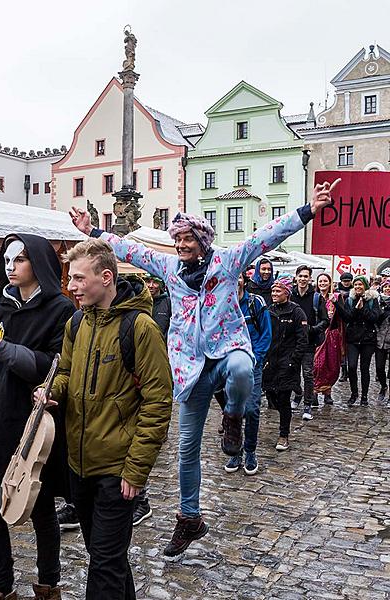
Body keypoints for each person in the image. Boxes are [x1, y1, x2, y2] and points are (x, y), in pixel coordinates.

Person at [70, 178, 339, 557]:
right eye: (177, 239)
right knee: (187, 449)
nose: (180, 245)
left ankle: (233, 415)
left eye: (187, 240)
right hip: (191, 366)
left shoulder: (227, 262)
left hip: (228, 350)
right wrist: (93, 230)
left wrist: (309, 209)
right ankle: (189, 518)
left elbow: (267, 236)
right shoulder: (169, 268)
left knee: (244, 371)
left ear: (203, 242)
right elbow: (131, 248)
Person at [35, 238, 172, 600]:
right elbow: (64, 371)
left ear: (106, 277)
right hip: (80, 467)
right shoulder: (76, 323)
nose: (72, 286)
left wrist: (135, 470)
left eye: (79, 279)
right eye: (70, 278)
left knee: (104, 568)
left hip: (117, 470)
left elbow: (158, 403)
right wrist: (53, 392)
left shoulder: (141, 328)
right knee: (106, 557)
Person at [0, 234, 75, 600]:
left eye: (19, 260)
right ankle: (0, 585)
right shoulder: (2, 308)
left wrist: (3, 349)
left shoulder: (61, 310)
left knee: (41, 508)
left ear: (37, 263)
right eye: (7, 261)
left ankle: (48, 584)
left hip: (35, 422)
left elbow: (53, 366)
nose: (11, 267)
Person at [132, 274, 172, 527]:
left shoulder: (167, 304)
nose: (151, 286)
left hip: (160, 364)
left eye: (154, 281)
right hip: (135, 371)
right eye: (147, 282)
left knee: (144, 430)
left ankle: (141, 500)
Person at [224, 272, 272, 475]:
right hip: (229, 366)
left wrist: (256, 358)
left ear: (243, 280)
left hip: (253, 364)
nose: (235, 283)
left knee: (251, 409)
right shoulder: (221, 305)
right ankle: (235, 451)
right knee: (233, 410)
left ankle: (250, 451)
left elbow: (266, 334)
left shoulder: (255, 302)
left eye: (238, 278)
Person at [263, 275, 308, 451]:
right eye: (273, 290)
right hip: (270, 361)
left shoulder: (296, 312)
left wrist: (293, 362)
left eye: (278, 291)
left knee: (283, 399)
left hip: (287, 362)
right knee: (271, 397)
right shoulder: (268, 310)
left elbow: (302, 340)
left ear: (287, 293)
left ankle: (284, 435)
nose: (274, 293)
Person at [332, 275, 381, 406]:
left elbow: (375, 317)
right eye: (356, 285)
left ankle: (364, 396)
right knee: (352, 367)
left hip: (367, 339)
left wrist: (363, 308)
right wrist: (338, 304)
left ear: (365, 286)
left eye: (360, 284)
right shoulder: (350, 299)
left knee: (365, 368)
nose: (358, 287)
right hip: (353, 338)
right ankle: (354, 394)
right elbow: (347, 318)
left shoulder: (372, 299)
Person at [291, 265, 329, 420]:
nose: (303, 279)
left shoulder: (316, 297)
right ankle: (298, 394)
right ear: (296, 277)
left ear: (310, 279)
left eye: (306, 276)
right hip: (292, 341)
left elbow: (325, 320)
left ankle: (307, 405)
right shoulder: (290, 295)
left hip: (308, 341)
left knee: (307, 373)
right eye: (300, 276)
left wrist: (313, 329)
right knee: (291, 373)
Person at [313, 273, 345, 405]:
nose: (323, 284)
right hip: (318, 334)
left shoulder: (337, 297)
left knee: (330, 365)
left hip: (332, 335)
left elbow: (344, 314)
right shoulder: (314, 297)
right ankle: (314, 391)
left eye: (325, 281)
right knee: (317, 364)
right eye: (320, 281)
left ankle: (327, 392)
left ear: (330, 282)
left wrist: (335, 303)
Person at [375, 277, 390, 403]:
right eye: (386, 287)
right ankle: (384, 386)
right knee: (379, 368)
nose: (388, 289)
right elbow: (373, 319)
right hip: (380, 340)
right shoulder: (377, 301)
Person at [337, 272, 353, 382]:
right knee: (341, 347)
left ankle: (350, 369)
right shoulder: (337, 292)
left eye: (348, 281)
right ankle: (344, 370)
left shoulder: (354, 292)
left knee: (349, 348)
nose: (346, 283)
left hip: (351, 322)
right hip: (340, 322)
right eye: (344, 281)